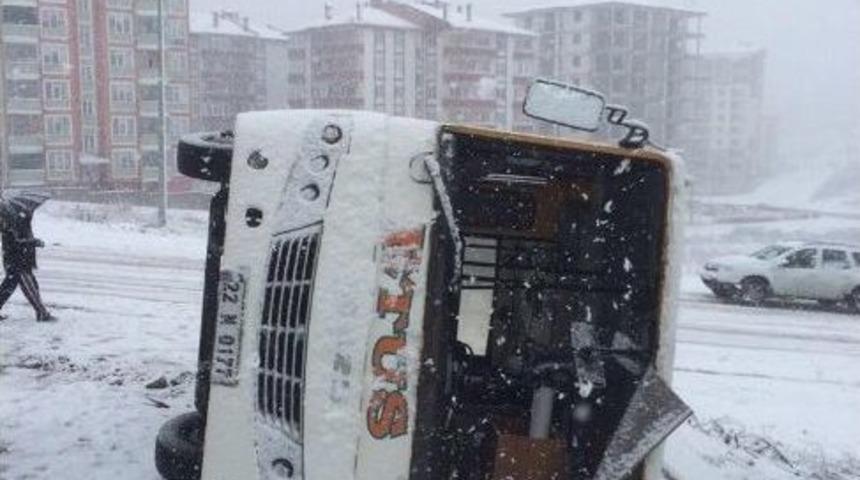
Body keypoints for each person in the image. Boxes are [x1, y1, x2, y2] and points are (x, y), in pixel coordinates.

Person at [0, 208, 55, 322]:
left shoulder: (13, 214)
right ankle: (42, 313)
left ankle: (41, 312)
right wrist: (33, 242)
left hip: (19, 258)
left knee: (11, 286)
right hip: (17, 260)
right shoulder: (9, 218)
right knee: (29, 286)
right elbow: (14, 242)